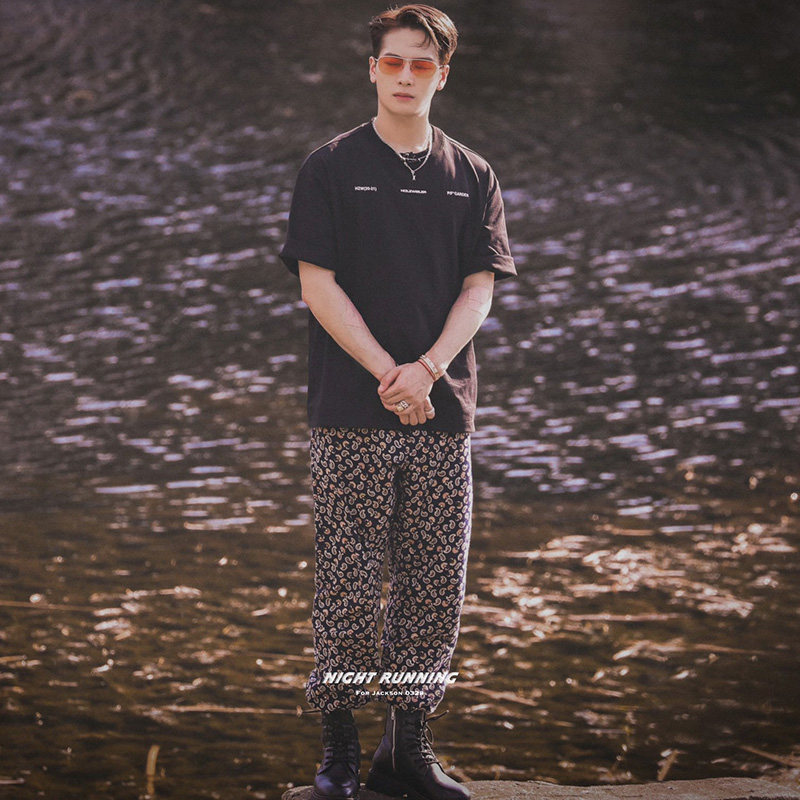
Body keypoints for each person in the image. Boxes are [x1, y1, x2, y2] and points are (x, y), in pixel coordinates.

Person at [279, 5, 516, 799]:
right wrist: (392, 373)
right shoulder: (330, 167)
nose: (406, 76)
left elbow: (479, 290)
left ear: (442, 74)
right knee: (348, 581)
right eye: (393, 62)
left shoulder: (473, 175)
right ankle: (340, 752)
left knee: (433, 582)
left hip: (442, 412)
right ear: (372, 69)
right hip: (351, 408)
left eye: (422, 64)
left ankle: (406, 750)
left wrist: (429, 371)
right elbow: (317, 286)